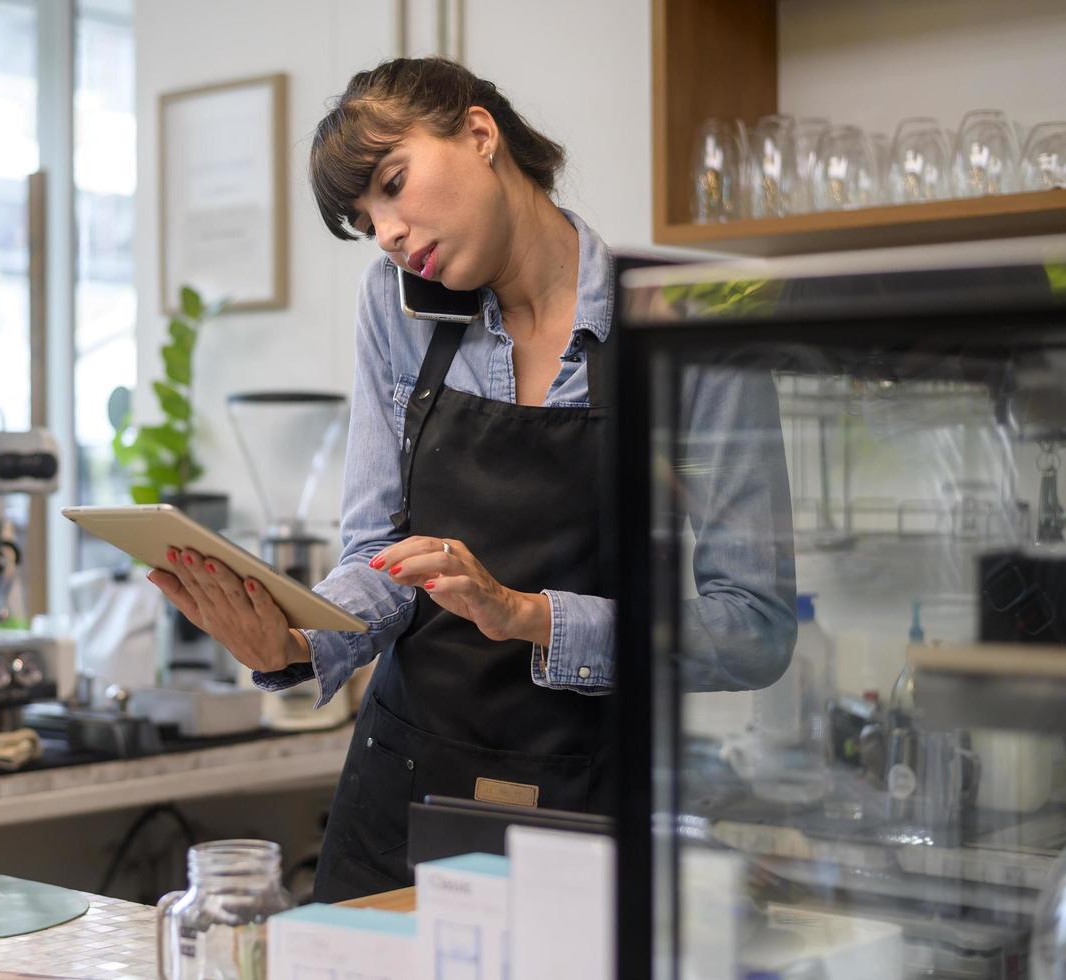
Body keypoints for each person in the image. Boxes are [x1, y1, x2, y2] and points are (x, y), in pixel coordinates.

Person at [145, 57, 796, 901]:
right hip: (403, 791)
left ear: (480, 134)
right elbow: (381, 554)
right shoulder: (396, 305)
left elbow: (755, 628)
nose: (384, 231)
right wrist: (300, 644)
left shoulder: (685, 323)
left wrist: (527, 617)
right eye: (362, 217)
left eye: (392, 182)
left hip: (590, 808)